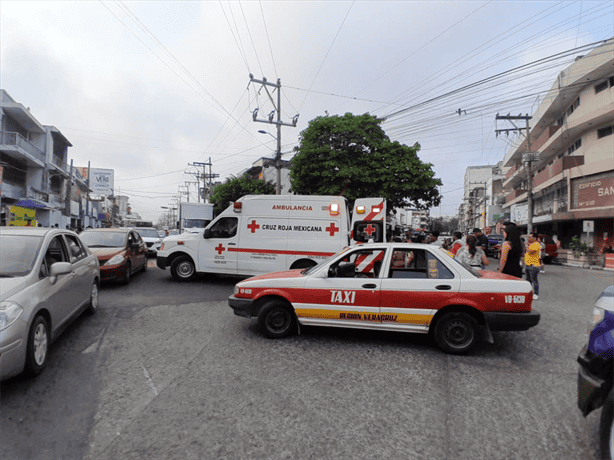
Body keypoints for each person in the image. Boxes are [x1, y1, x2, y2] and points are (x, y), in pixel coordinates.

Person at [524, 233, 542, 300]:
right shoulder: (530, 244)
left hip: (534, 266)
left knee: (534, 280)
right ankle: (528, 293)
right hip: (528, 265)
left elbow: (530, 251)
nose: (528, 238)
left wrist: (526, 246)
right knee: (528, 280)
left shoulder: (536, 244)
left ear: (535, 238)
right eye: (528, 237)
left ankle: (536, 294)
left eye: (530, 237)